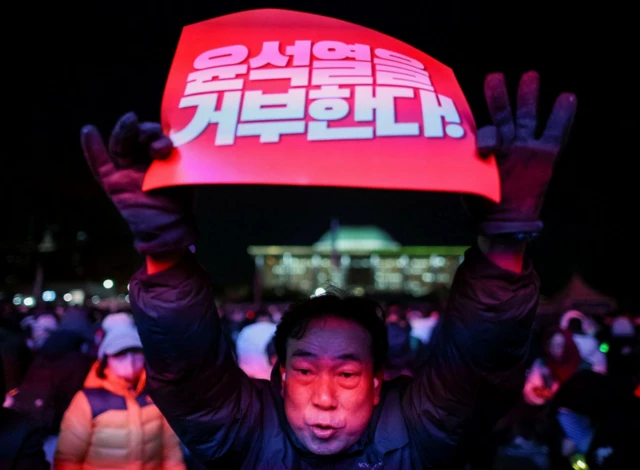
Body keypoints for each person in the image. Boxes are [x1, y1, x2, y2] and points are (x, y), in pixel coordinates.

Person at [80, 70, 577, 468]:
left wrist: (506, 244)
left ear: (379, 380)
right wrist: (164, 255)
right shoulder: (245, 431)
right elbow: (188, 373)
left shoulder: (418, 432)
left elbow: (477, 373)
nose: (324, 399)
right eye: (303, 370)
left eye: (347, 372)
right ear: (278, 375)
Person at [54, 313, 185, 470]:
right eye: (120, 353)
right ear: (106, 358)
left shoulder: (156, 393)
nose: (130, 360)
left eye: (136, 351)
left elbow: (171, 451)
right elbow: (68, 460)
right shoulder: (87, 400)